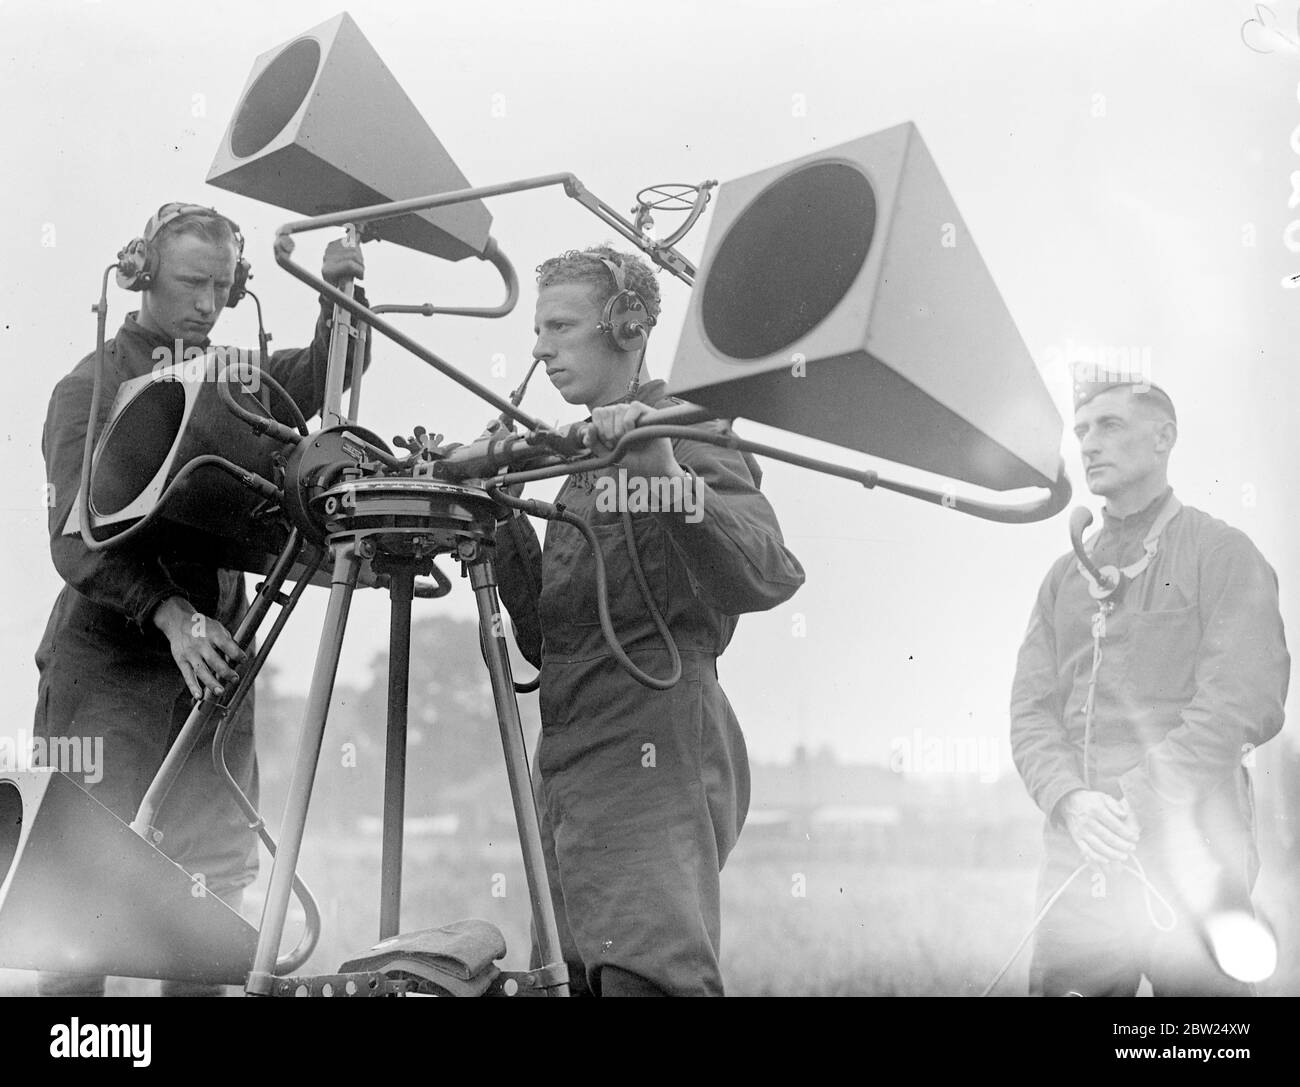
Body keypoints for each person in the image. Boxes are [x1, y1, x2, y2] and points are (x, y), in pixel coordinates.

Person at [34, 202, 367, 996]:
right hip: (111, 667)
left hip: (211, 675)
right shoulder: (89, 387)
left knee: (207, 894)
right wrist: (170, 612)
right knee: (84, 901)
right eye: (189, 283)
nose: (207, 305)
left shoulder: (234, 382)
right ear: (141, 276)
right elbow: (73, 539)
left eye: (223, 287)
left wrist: (340, 300)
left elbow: (320, 380)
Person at [492, 246, 805, 996]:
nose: (539, 347)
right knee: (563, 979)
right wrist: (497, 517)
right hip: (567, 763)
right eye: (538, 330)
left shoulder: (686, 431)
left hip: (652, 753)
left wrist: (664, 470)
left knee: (648, 977)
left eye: (559, 326)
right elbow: (553, 638)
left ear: (627, 328)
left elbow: (768, 567)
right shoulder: (573, 457)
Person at [1009, 376, 1289, 996]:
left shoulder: (1222, 554)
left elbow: (1239, 703)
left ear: (1163, 438)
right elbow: (1030, 712)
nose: (1089, 445)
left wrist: (1133, 800)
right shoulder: (1064, 579)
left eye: (1108, 425)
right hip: (1081, 852)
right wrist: (1071, 800)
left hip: (1194, 851)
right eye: (1081, 431)